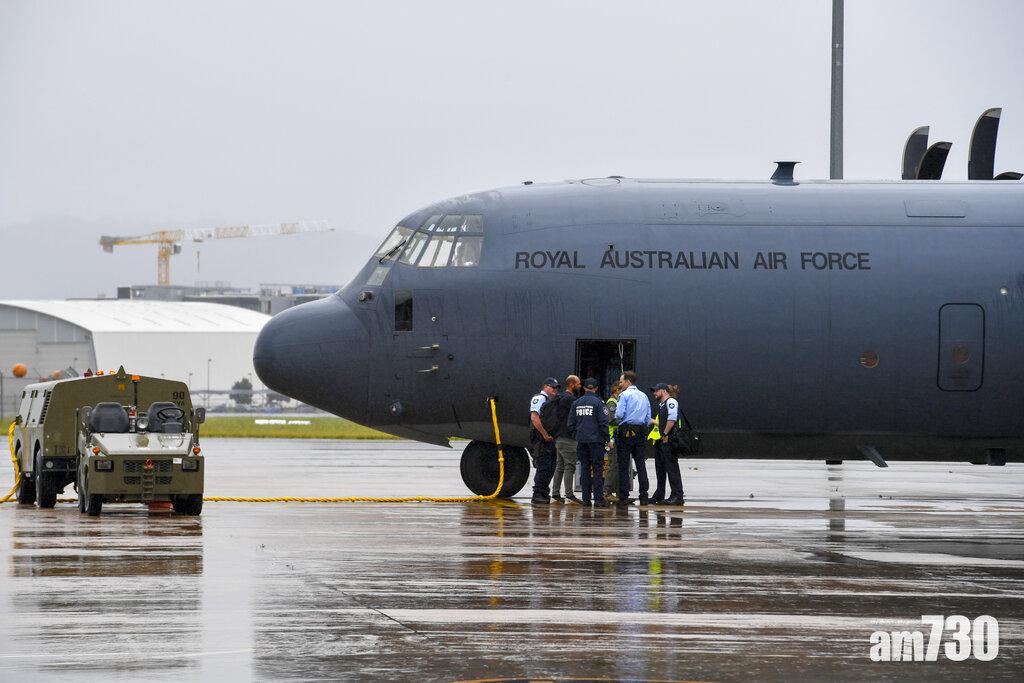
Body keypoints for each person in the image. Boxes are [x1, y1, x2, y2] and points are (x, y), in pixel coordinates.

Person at [567, 377, 610, 507]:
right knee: (597, 470)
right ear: (596, 388)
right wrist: (607, 438)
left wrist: (577, 435)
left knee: (584, 469)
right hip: (596, 441)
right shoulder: (599, 403)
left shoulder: (577, 403)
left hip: (582, 441)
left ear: (584, 388)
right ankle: (598, 499)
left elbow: (570, 424)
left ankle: (586, 499)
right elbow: (604, 423)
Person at [613, 370, 651, 506]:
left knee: (623, 465)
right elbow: (648, 418)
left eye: (621, 381)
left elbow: (619, 414)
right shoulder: (644, 396)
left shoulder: (624, 395)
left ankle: (623, 496)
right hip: (641, 432)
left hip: (626, 431)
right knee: (641, 465)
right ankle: (644, 496)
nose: (620, 384)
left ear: (628, 381)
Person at [649, 383, 685, 505]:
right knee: (660, 468)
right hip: (662, 440)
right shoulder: (662, 404)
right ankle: (660, 494)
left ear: (663, 391)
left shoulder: (671, 402)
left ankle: (677, 495)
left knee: (672, 468)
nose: (654, 393)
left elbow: (672, 419)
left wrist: (665, 434)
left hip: (669, 440)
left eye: (656, 391)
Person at [529, 377, 561, 504]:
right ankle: (537, 494)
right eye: (552, 387)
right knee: (544, 466)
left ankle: (542, 492)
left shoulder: (549, 400)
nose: (555, 390)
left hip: (546, 438)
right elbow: (534, 417)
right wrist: (544, 434)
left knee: (549, 466)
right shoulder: (540, 398)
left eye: (556, 388)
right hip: (541, 439)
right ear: (545, 387)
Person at [552, 375, 582, 503]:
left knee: (560, 466)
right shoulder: (570, 399)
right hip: (568, 438)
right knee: (570, 466)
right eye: (578, 384)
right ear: (571, 384)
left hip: (559, 438)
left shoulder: (559, 397)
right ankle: (569, 494)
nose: (580, 386)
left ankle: (555, 493)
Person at [603, 381, 622, 502]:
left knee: (618, 466)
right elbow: (611, 420)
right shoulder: (612, 402)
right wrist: (626, 419)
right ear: (616, 390)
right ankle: (607, 492)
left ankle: (619, 493)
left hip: (618, 438)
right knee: (613, 465)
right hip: (612, 438)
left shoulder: (618, 402)